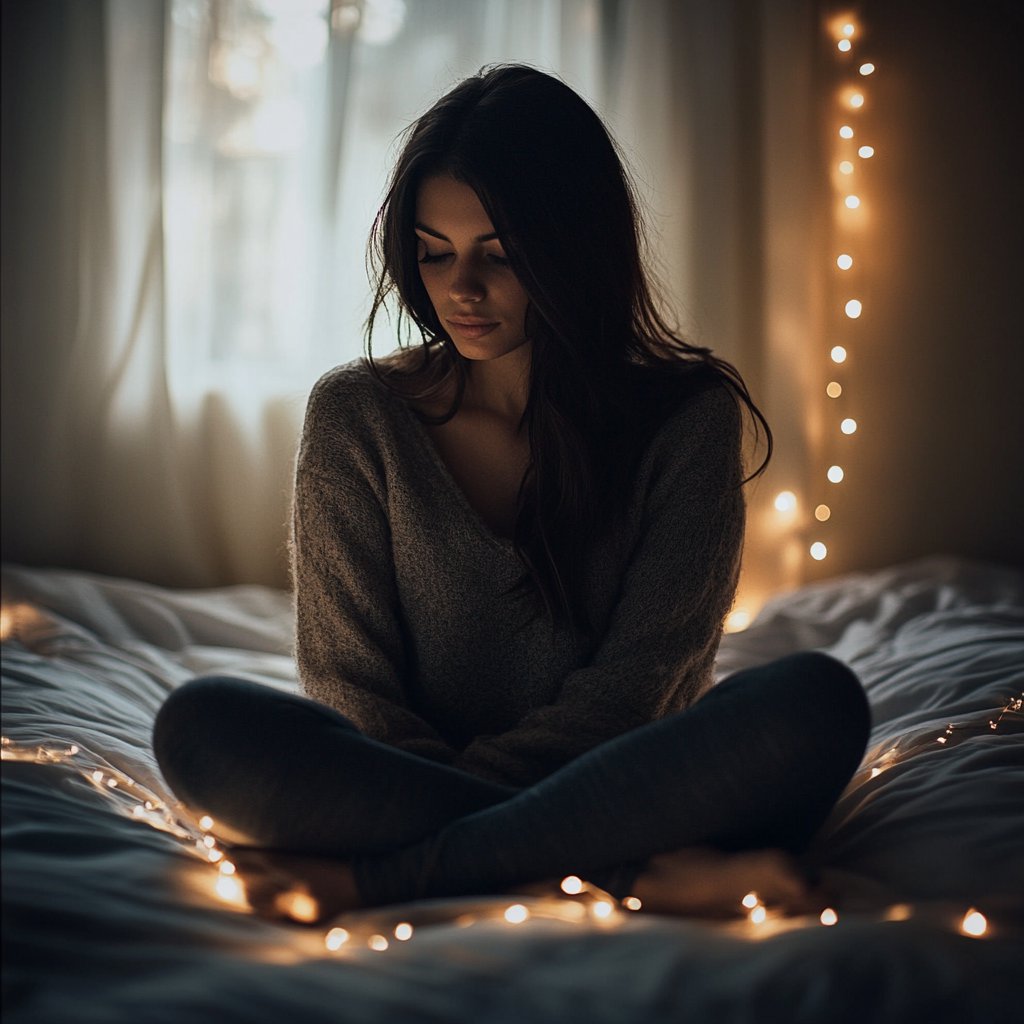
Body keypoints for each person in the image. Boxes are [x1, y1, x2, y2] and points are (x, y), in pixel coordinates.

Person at [153, 65, 870, 923]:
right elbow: (351, 690)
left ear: (577, 248)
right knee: (203, 726)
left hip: (629, 774)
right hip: (584, 808)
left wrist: (407, 851)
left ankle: (404, 876)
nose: (460, 289)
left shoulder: (688, 419)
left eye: (501, 254)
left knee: (814, 702)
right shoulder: (358, 416)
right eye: (433, 252)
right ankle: (633, 874)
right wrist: (556, 824)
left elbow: (638, 690)